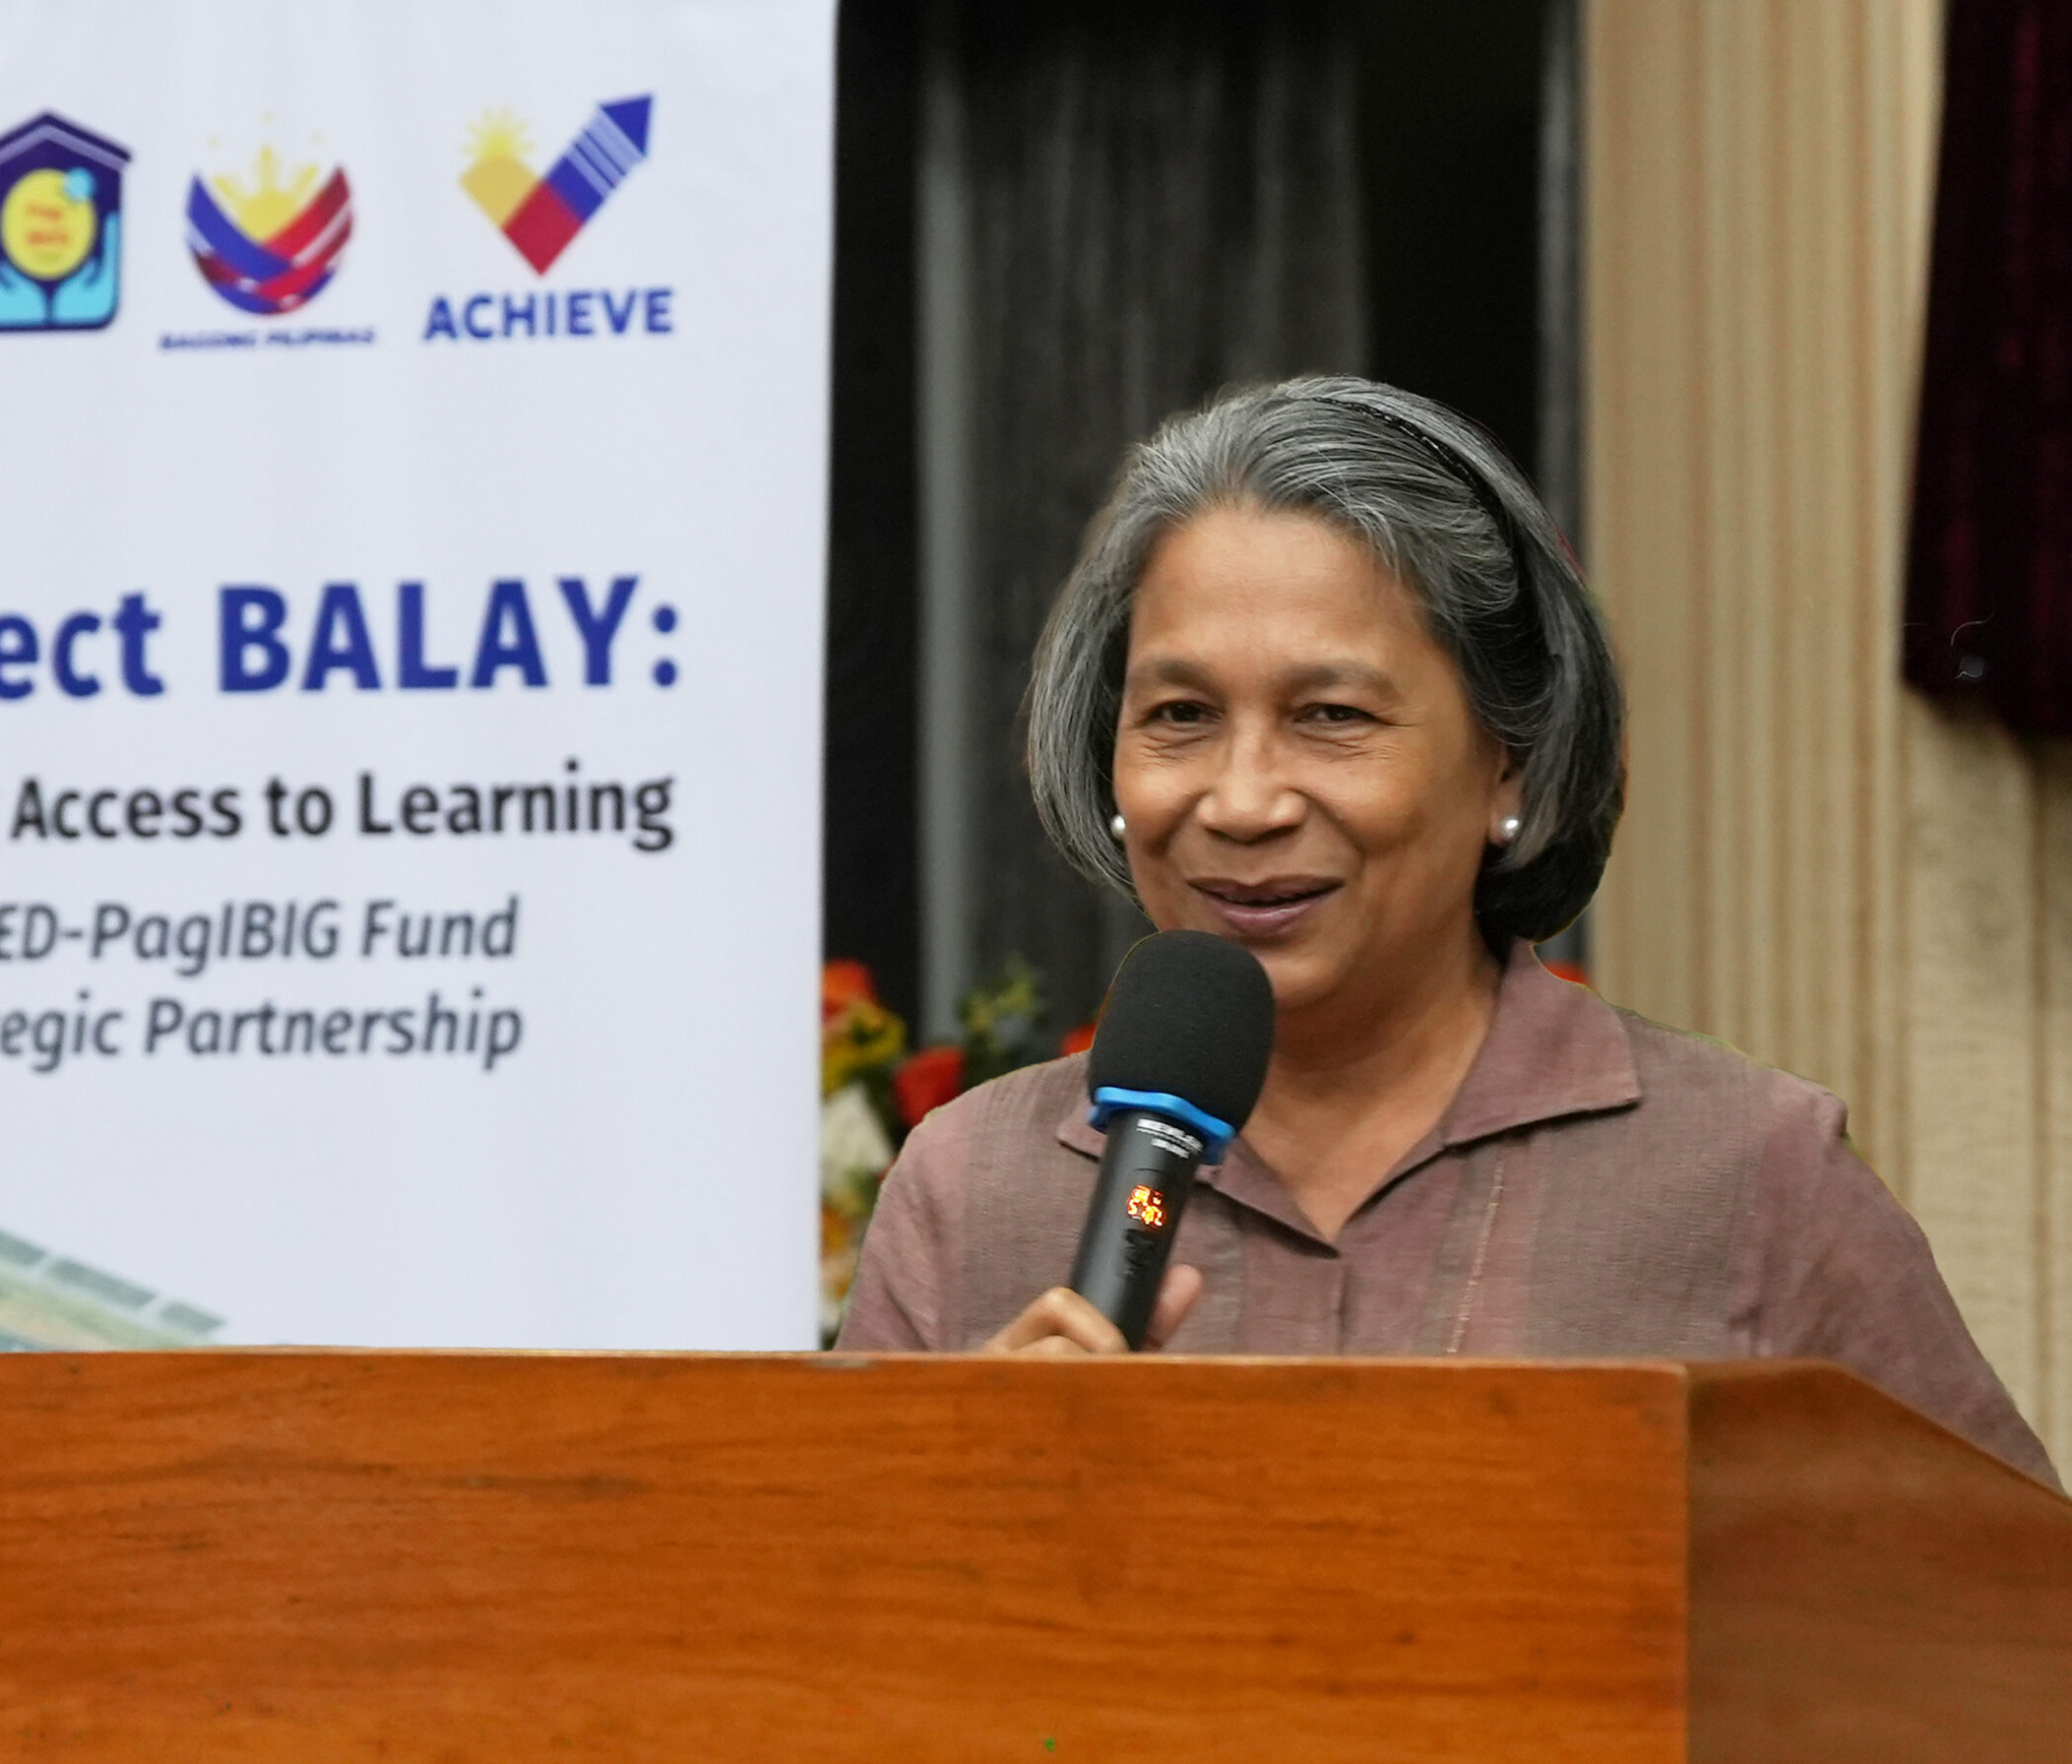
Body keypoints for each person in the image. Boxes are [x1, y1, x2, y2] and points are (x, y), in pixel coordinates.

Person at [836, 374, 2059, 1490]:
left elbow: (2005, 1622)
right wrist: (952, 1506)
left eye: (1330, 715)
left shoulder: (1748, 1175)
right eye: (1180, 714)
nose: (1242, 801)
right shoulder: (970, 1186)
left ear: (1506, 764)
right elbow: (815, 1636)